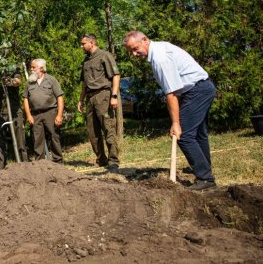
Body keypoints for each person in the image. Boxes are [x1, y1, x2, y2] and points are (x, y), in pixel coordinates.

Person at [122, 31, 217, 190]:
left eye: (135, 48)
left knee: (184, 134)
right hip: (202, 88)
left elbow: (171, 94)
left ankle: (206, 179)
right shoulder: (159, 49)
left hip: (197, 91)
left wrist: (176, 123)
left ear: (145, 40)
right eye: (130, 51)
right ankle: (203, 167)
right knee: (199, 133)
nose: (134, 54)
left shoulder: (160, 60)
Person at [78, 34, 121, 172]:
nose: (81, 46)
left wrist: (114, 96)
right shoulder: (85, 61)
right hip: (90, 98)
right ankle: (101, 159)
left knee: (108, 127)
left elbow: (116, 75)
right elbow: (84, 83)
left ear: (91, 42)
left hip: (103, 95)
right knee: (93, 131)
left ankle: (113, 160)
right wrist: (81, 99)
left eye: (83, 43)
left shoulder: (104, 55)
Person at [23, 59, 64, 163]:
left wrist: (59, 115)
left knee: (54, 136)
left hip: (51, 112)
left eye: (33, 67)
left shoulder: (51, 80)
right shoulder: (29, 82)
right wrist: (28, 115)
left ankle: (57, 160)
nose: (31, 69)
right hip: (35, 115)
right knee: (37, 140)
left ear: (41, 68)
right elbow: (25, 99)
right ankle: (40, 164)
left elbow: (59, 97)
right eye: (31, 67)